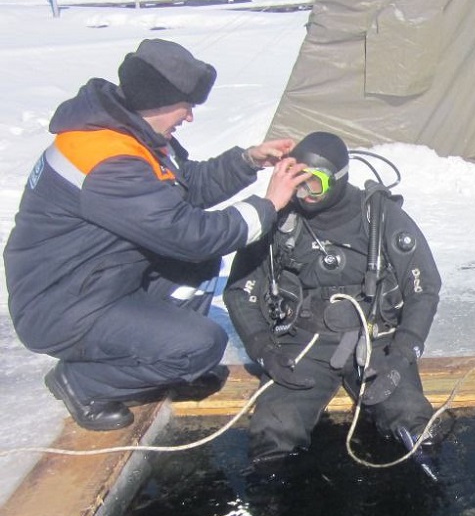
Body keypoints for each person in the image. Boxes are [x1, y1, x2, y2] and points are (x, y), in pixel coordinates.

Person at [3, 38, 309, 431]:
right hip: (61, 306)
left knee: (196, 265)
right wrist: (269, 205)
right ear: (158, 99)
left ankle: (166, 363)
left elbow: (185, 187)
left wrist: (248, 161)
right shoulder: (108, 161)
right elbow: (192, 234)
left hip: (92, 280)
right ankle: (84, 382)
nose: (190, 118)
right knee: (202, 343)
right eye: (187, 107)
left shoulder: (129, 131)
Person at [223, 132, 442, 472]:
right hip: (305, 342)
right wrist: (264, 348)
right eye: (298, 182)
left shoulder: (379, 215)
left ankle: (440, 491)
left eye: (316, 184)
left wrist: (403, 352)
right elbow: (240, 292)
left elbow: (423, 287)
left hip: (375, 338)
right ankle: (268, 510)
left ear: (339, 178)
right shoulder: (279, 220)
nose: (305, 195)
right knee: (274, 428)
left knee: (410, 417)